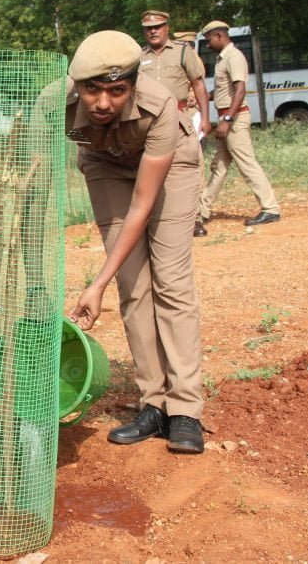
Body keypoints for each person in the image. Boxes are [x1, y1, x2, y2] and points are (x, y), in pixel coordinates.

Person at [62, 30, 205, 454]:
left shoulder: (159, 104)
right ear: (77, 85)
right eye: (92, 90)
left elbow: (142, 206)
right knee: (133, 285)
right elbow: (32, 169)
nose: (102, 104)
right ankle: (153, 404)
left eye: (117, 91)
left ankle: (185, 410)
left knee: (171, 281)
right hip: (104, 163)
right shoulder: (55, 102)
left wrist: (95, 283)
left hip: (169, 165)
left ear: (133, 86)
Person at [199, 20, 281, 227]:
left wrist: (227, 120)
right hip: (226, 117)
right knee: (219, 165)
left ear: (219, 36)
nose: (207, 44)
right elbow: (222, 91)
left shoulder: (233, 57)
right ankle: (202, 210)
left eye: (208, 39)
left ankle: (270, 208)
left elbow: (240, 90)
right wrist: (201, 98)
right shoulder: (222, 58)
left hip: (234, 119)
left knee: (246, 163)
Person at [138, 10, 212, 237]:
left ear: (167, 27)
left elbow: (198, 85)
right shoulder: (139, 57)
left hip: (181, 118)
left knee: (189, 169)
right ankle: (155, 219)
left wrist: (206, 119)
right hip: (151, 122)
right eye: (149, 28)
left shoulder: (182, 52)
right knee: (153, 171)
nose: (153, 31)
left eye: (158, 26)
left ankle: (195, 219)